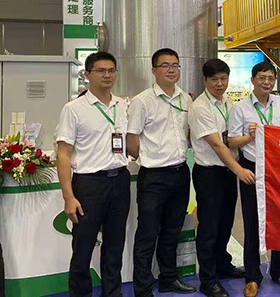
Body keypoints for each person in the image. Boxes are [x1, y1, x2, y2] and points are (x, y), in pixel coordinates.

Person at [55, 51, 130, 296]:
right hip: (89, 185)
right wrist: (68, 197)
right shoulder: (74, 108)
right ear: (87, 75)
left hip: (119, 180)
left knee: (115, 246)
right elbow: (63, 154)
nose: (107, 75)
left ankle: (113, 293)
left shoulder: (122, 105)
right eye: (100, 71)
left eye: (111, 70)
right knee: (83, 248)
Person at [127, 48, 196, 296]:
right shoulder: (142, 101)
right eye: (165, 65)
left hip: (180, 173)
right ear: (154, 70)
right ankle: (143, 287)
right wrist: (148, 158)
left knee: (171, 232)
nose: (171, 70)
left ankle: (168, 279)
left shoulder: (186, 100)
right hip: (154, 177)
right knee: (147, 234)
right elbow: (131, 139)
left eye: (175, 65)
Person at [228, 61, 280, 297]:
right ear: (253, 80)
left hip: (277, 168)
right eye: (262, 78)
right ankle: (252, 276)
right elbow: (231, 142)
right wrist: (249, 136)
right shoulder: (240, 108)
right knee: (252, 222)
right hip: (252, 169)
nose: (266, 82)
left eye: (270, 78)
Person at [189, 58, 252, 297]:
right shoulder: (200, 107)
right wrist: (239, 170)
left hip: (227, 172)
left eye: (223, 78)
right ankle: (208, 279)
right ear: (205, 80)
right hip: (209, 173)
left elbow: (233, 138)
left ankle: (223, 265)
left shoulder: (228, 102)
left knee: (226, 222)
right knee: (209, 226)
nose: (219, 83)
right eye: (214, 79)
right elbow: (217, 144)